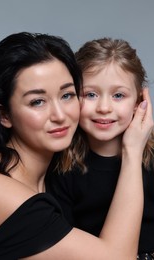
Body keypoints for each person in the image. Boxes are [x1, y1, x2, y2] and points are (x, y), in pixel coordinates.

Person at [0, 33, 153, 260]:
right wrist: (132, 150)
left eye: (67, 95)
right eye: (37, 101)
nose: (60, 115)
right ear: (3, 114)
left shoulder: (55, 174)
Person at [46, 38, 154, 260]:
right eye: (91, 94)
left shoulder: (151, 159)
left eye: (118, 95)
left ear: (139, 102)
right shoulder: (61, 166)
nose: (104, 108)